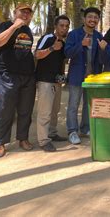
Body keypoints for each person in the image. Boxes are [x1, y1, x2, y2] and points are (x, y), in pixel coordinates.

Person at [0, 3, 36, 158]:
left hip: (27, 76)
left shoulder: (28, 30)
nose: (25, 15)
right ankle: (0, 143)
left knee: (26, 110)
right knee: (5, 109)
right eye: (22, 12)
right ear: (15, 12)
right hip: (7, 75)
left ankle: (22, 139)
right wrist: (14, 27)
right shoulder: (5, 25)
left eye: (28, 13)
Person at [64, 7, 104, 145]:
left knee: (89, 104)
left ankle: (85, 128)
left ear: (98, 20)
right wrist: (81, 44)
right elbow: (67, 53)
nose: (93, 20)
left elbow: (101, 58)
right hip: (76, 75)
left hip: (93, 77)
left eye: (95, 17)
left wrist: (104, 50)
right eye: (90, 17)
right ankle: (72, 131)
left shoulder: (99, 36)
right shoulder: (74, 34)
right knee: (73, 104)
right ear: (84, 19)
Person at [34, 15, 70, 152]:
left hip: (56, 82)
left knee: (55, 110)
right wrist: (52, 48)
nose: (64, 28)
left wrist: (62, 77)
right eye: (62, 25)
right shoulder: (48, 38)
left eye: (67, 26)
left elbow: (61, 62)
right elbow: (37, 54)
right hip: (45, 81)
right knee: (45, 111)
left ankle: (52, 133)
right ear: (56, 26)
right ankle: (43, 141)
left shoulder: (64, 43)